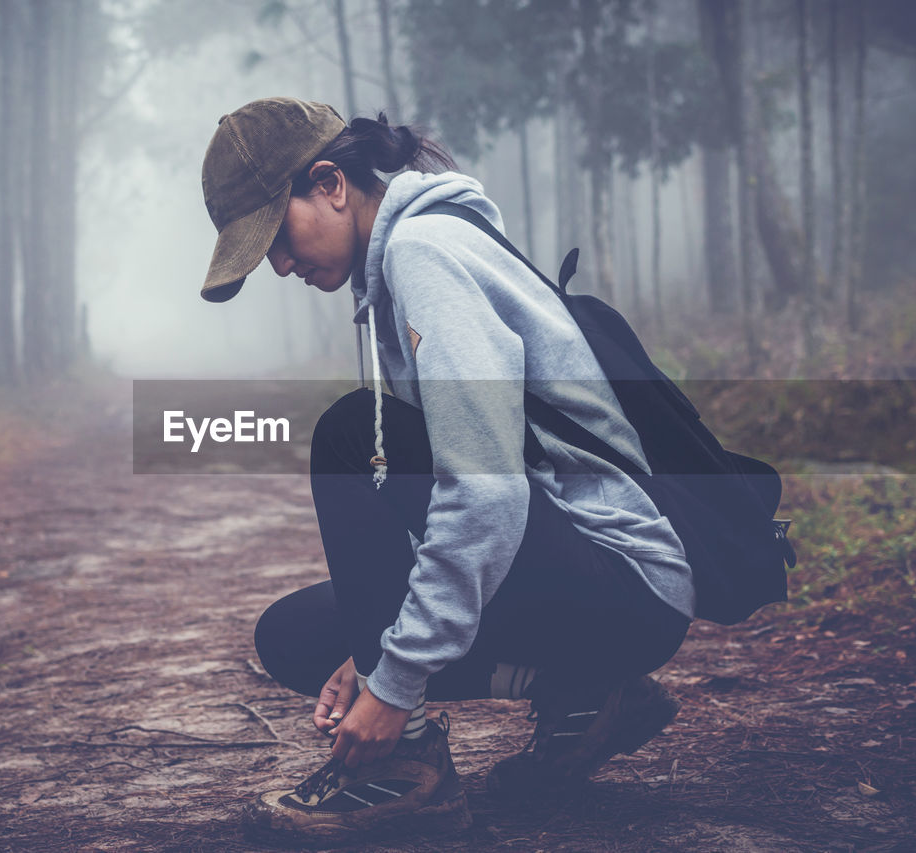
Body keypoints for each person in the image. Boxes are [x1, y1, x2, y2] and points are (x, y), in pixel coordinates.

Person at [198, 97, 693, 842]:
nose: (278, 264)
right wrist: (374, 653)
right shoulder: (402, 267)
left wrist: (394, 684)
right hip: (567, 573)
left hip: (622, 581)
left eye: (275, 234)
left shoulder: (423, 253)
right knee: (296, 636)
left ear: (331, 182)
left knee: (344, 436)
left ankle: (411, 771)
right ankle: (587, 693)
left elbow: (486, 495)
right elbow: (442, 499)